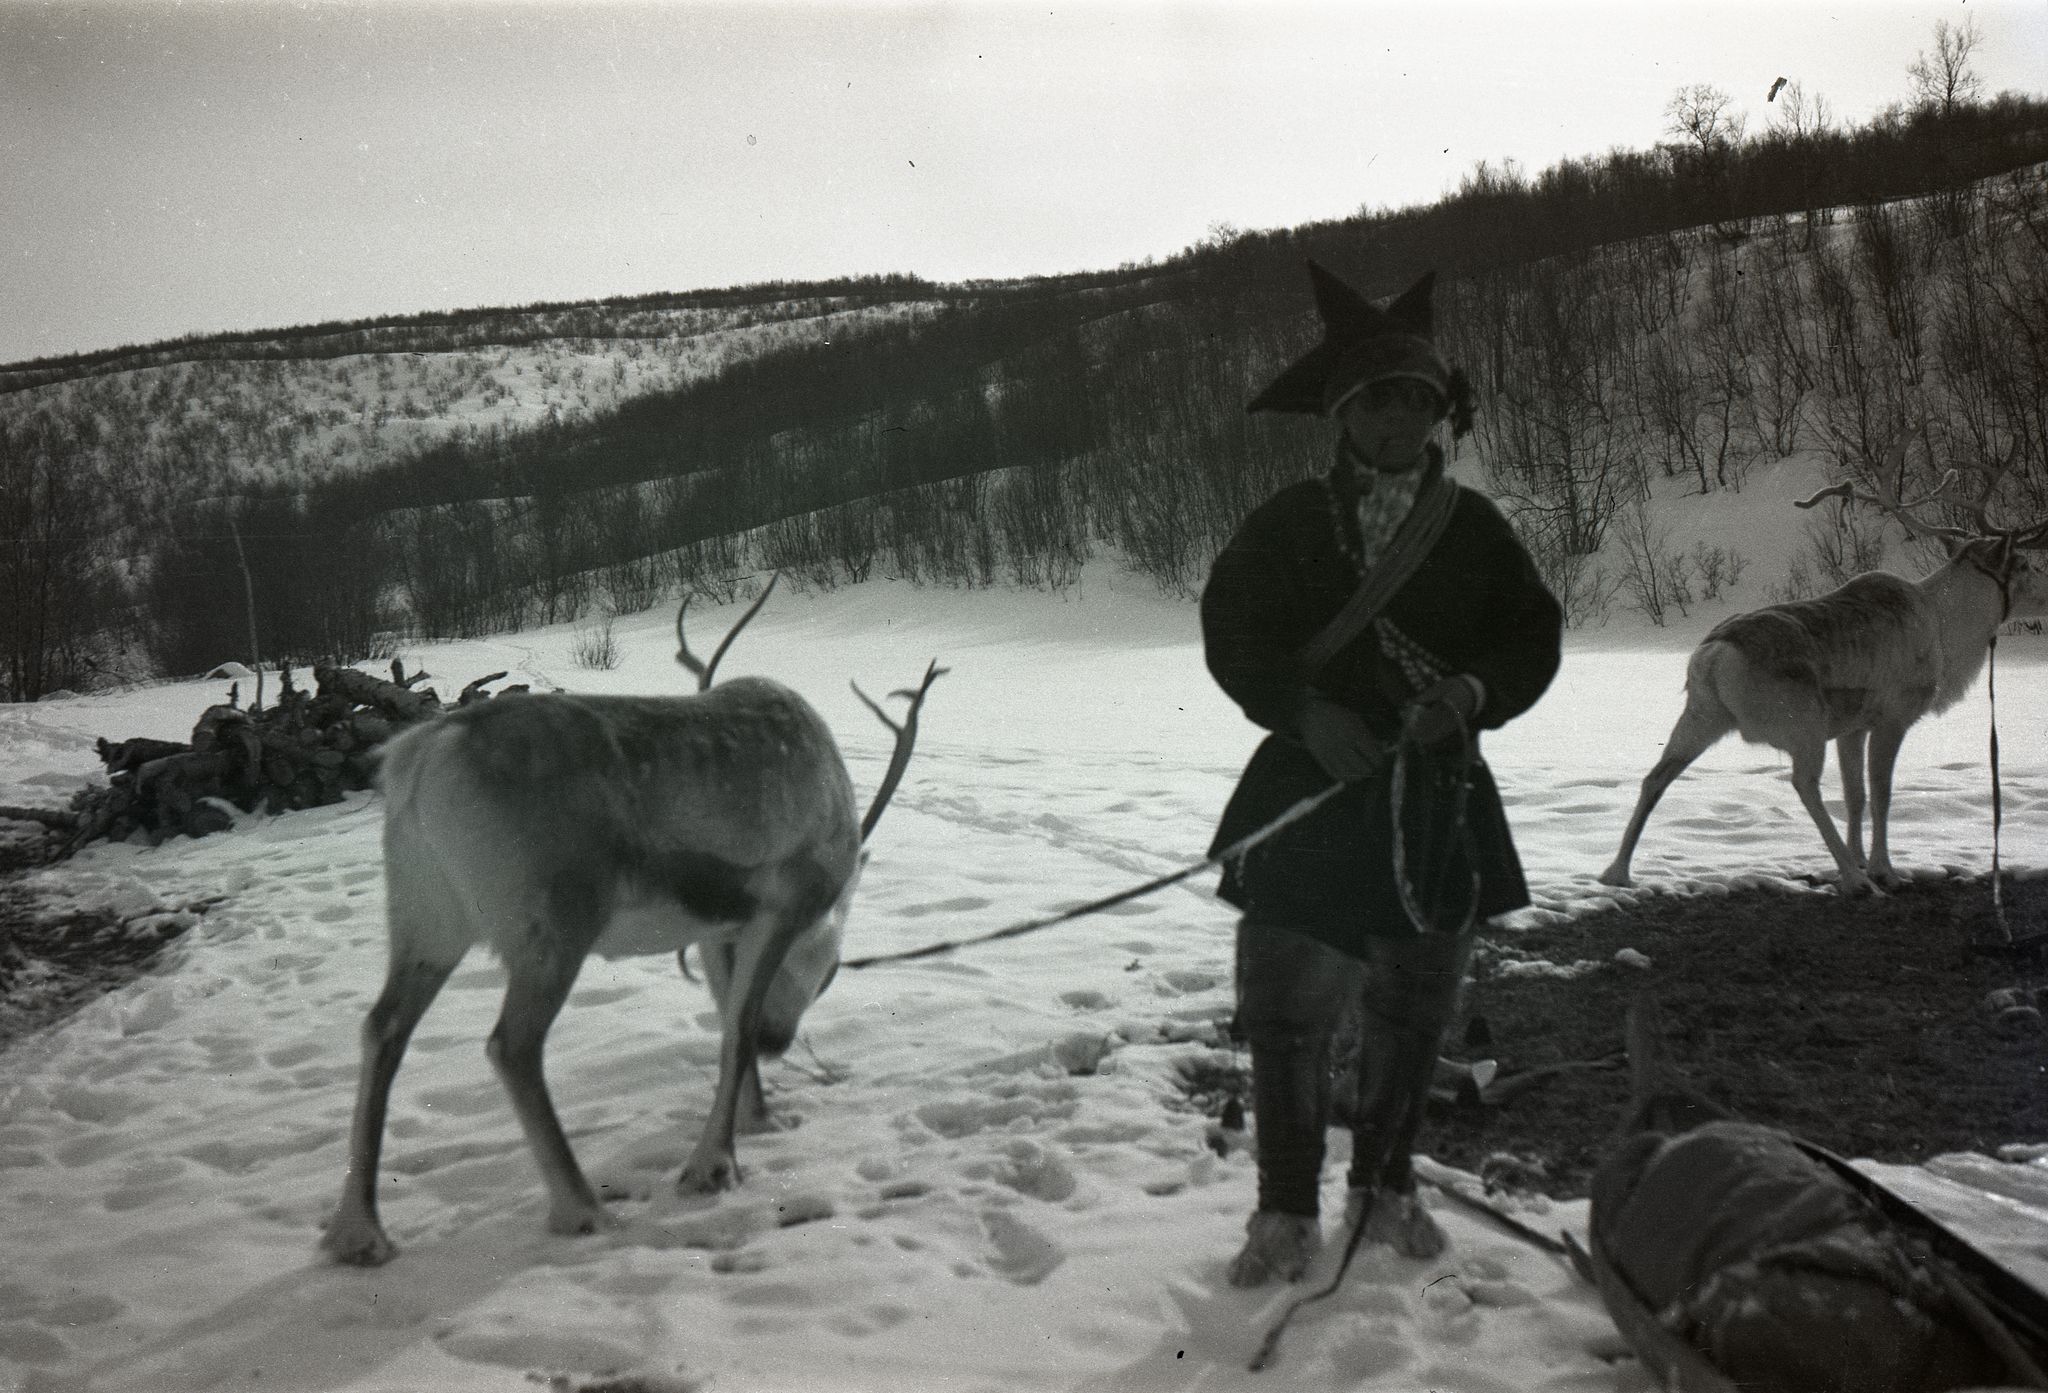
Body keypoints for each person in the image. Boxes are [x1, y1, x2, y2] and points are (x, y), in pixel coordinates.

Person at [1201, 261, 1562, 1287]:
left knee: (1411, 1011)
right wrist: (1304, 711)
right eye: (1379, 401)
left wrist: (1467, 695)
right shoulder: (1282, 526)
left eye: (1418, 399)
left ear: (1440, 411)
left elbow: (1528, 635)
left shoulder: (1476, 530)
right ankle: (1281, 1214)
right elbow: (1230, 631)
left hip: (1433, 799)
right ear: (1342, 414)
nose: (1401, 420)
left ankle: (1385, 1188)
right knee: (1285, 1015)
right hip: (1307, 796)